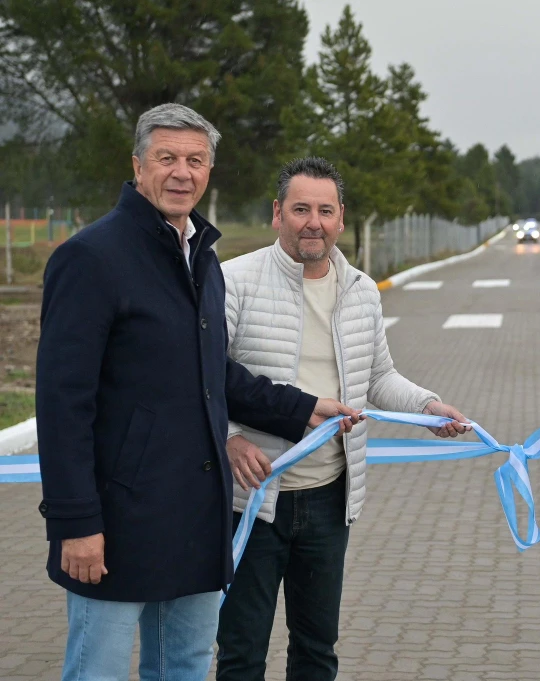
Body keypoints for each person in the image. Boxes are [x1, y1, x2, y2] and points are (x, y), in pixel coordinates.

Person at [35, 105, 355, 681]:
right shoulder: (91, 258)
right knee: (97, 671)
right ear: (138, 166)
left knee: (183, 668)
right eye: (167, 158)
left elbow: (211, 374)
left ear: (208, 171)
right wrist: (75, 523)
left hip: (197, 519)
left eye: (195, 160)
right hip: (117, 523)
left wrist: (302, 407)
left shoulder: (202, 259)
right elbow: (62, 404)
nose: (182, 172)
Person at [215, 156, 470, 681]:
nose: (314, 222)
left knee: (316, 649)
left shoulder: (360, 291)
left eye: (325, 210)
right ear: (277, 214)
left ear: (341, 217)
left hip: (329, 500)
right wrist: (231, 439)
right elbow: (203, 379)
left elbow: (378, 377)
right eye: (301, 208)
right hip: (253, 502)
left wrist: (427, 406)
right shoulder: (232, 283)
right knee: (241, 652)